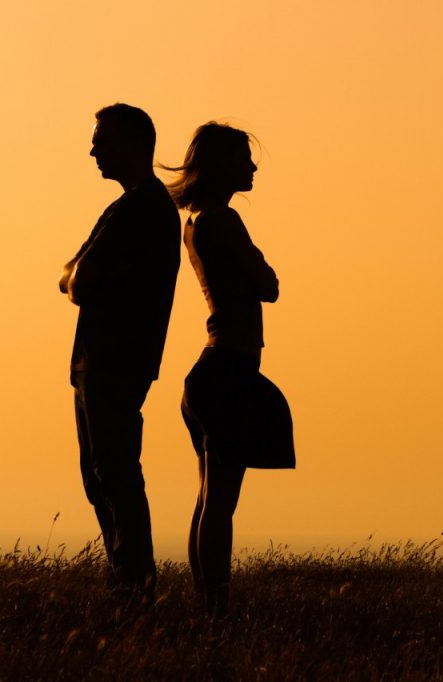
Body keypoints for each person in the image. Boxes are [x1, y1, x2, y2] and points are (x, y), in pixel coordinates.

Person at [165, 122, 295, 617]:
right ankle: (215, 610)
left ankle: (207, 606)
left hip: (213, 370)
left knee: (209, 496)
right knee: (220, 500)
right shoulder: (222, 219)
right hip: (228, 370)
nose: (253, 167)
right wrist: (260, 266)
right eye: (245, 158)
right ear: (222, 165)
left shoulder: (196, 220)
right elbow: (268, 284)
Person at [59, 104, 181, 599]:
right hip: (106, 360)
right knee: (101, 475)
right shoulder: (133, 207)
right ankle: (126, 580)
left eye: (102, 140)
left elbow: (76, 278)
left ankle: (134, 585)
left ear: (134, 144)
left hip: (113, 360)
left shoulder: (139, 208)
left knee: (114, 475)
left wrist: (80, 276)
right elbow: (71, 274)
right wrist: (78, 275)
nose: (93, 150)